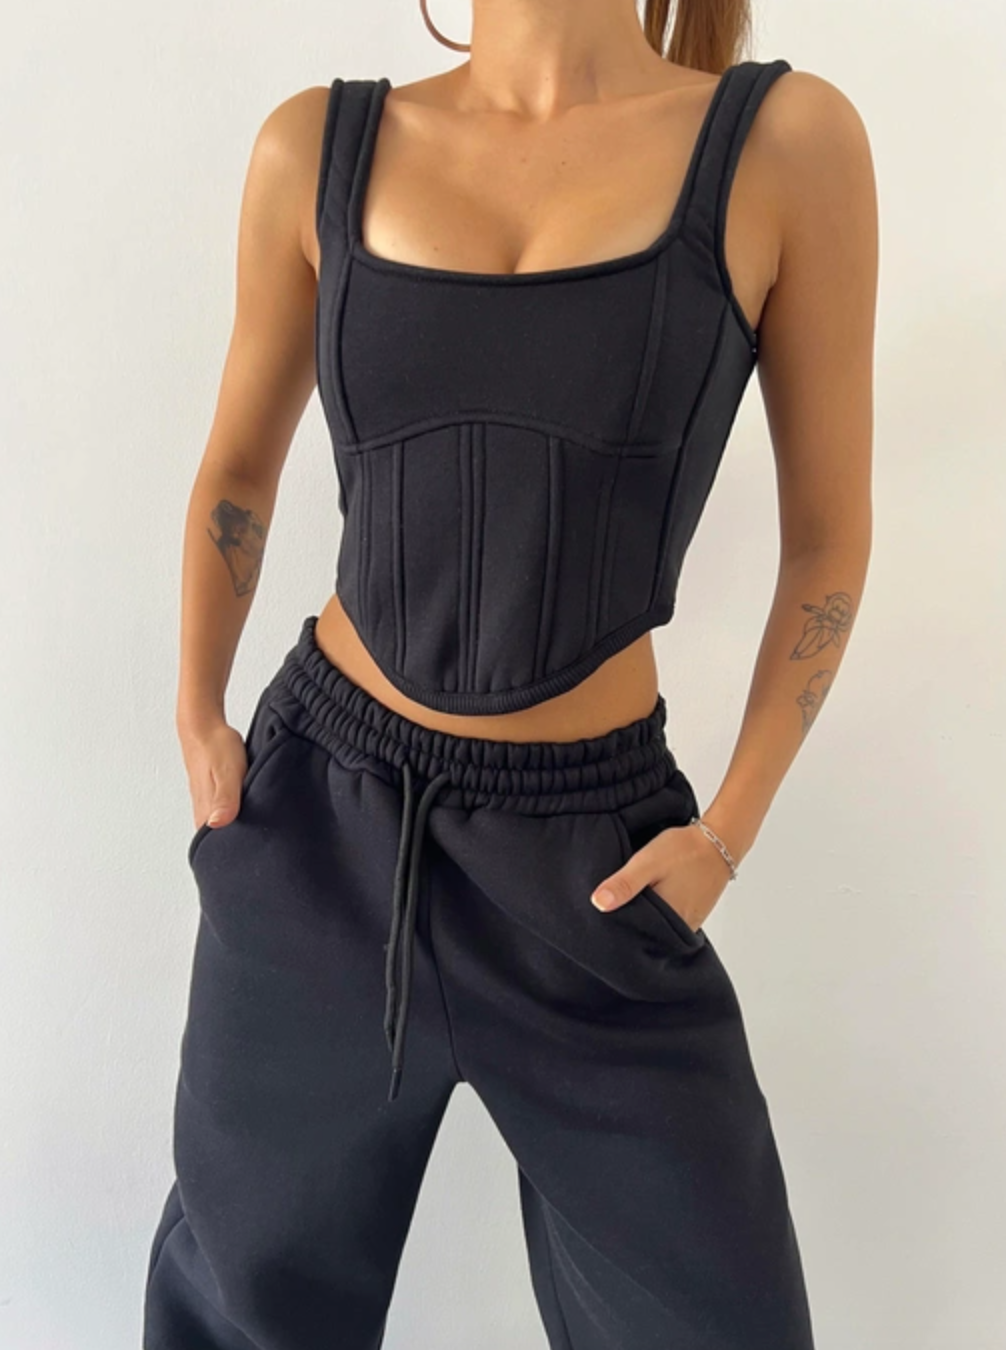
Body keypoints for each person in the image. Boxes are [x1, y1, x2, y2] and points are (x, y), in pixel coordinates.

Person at [142, 0, 876, 1344]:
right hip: (320, 826)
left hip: (593, 864)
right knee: (241, 1311)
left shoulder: (782, 145)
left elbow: (826, 538)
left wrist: (725, 831)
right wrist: (199, 713)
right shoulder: (315, 146)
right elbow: (236, 466)